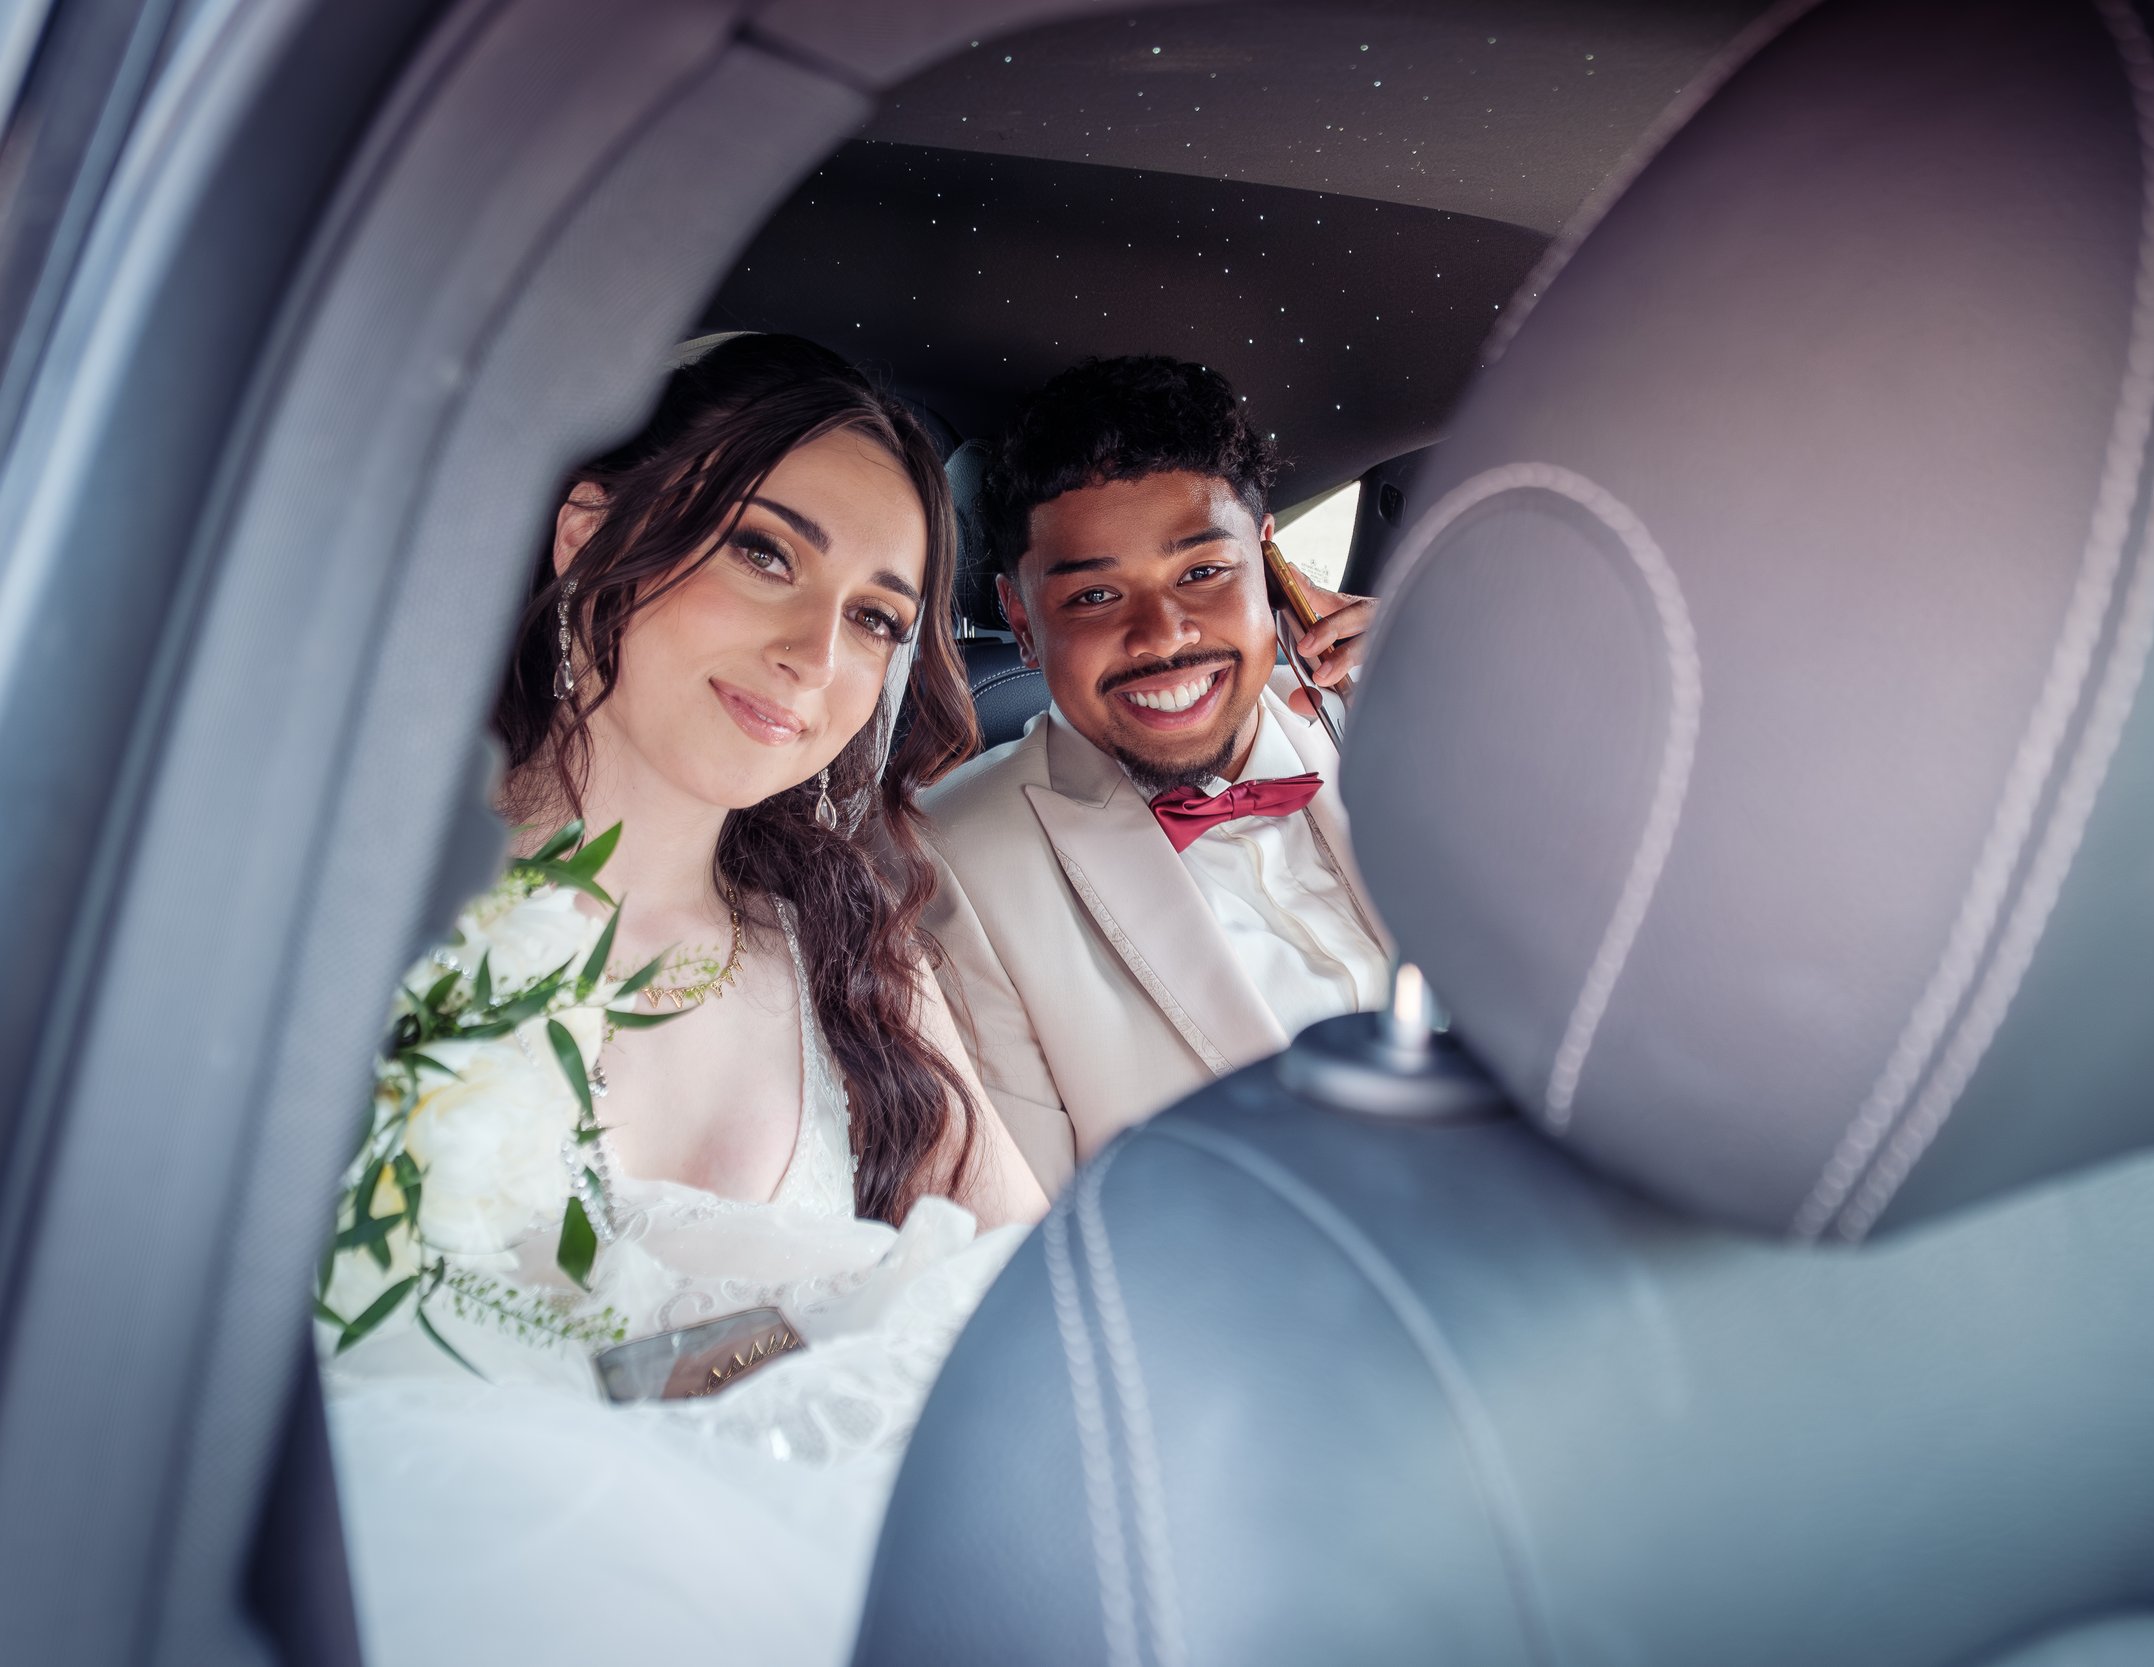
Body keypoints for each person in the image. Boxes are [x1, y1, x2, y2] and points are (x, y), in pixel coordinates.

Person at [318, 332, 1045, 1666]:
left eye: (878, 617)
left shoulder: (857, 959)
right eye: (766, 551)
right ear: (592, 529)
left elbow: (1035, 1322)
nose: (815, 651)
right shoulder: (340, 899)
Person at [921, 355, 1387, 1193]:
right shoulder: (948, 861)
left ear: (1271, 562)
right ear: (1022, 623)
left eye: (1204, 573)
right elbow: (1023, 1247)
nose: (1163, 635)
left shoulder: (1407, 732)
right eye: (1094, 598)